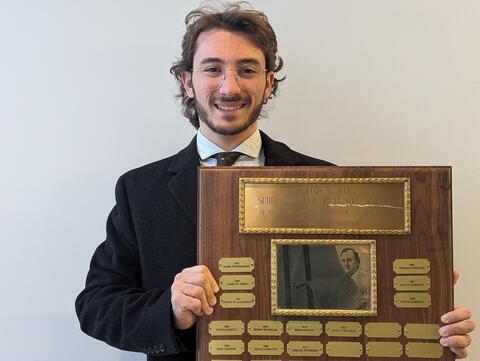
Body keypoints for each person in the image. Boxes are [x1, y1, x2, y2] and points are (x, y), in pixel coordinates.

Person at [75, 2, 475, 360]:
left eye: (247, 69)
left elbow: (355, 301)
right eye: (212, 68)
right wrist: (171, 311)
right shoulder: (140, 190)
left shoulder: (328, 180)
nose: (229, 87)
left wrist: (426, 325)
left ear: (268, 82)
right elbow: (96, 306)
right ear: (187, 81)